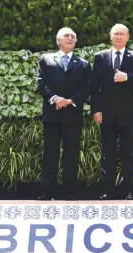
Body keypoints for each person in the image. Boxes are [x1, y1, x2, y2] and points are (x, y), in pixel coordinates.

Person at [91, 23, 133, 200]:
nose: (118, 37)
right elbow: (95, 87)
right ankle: (107, 191)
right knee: (107, 153)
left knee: (129, 153)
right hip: (106, 114)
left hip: (128, 114)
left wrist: (128, 77)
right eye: (115, 34)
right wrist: (96, 110)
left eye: (122, 34)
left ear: (128, 37)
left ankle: (129, 191)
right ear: (110, 36)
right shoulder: (100, 57)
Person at [37, 27, 92, 200]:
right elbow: (41, 83)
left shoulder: (83, 64)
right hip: (52, 113)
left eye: (73, 36)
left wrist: (71, 100)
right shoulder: (46, 60)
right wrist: (55, 98)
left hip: (72, 114)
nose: (70, 38)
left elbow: (87, 87)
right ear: (58, 41)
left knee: (71, 153)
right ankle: (47, 191)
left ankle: (70, 191)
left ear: (76, 42)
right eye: (66, 36)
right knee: (50, 152)